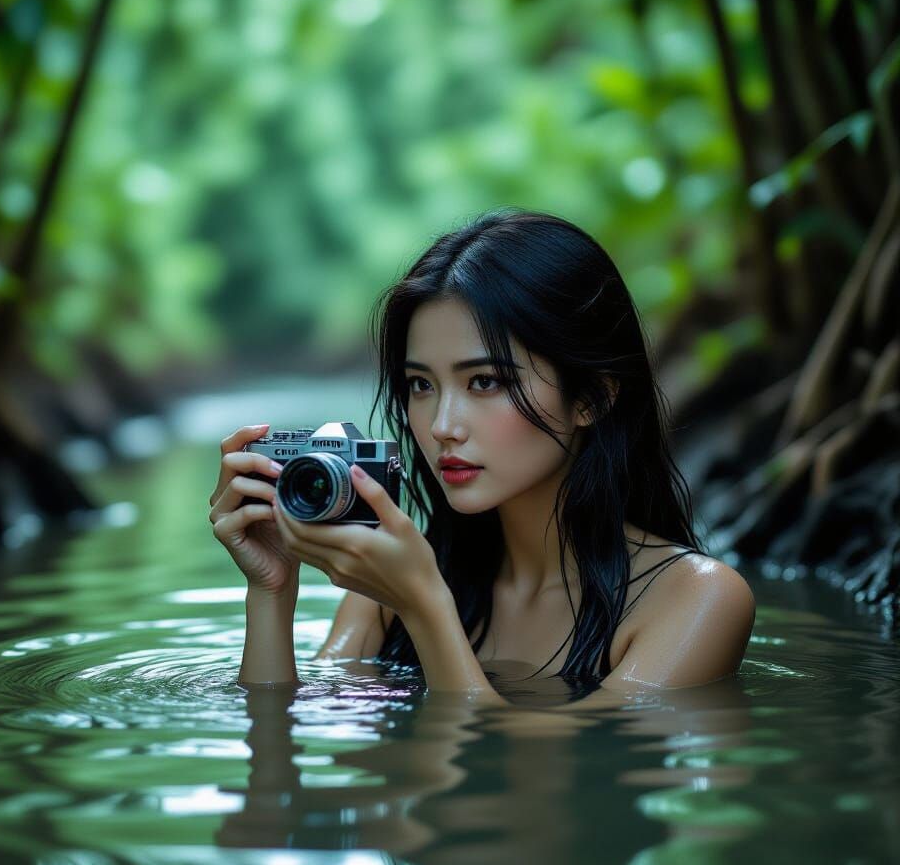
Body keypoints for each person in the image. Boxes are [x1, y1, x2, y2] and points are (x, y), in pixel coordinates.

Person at [209, 209, 755, 704]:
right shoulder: (393, 583)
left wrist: (425, 606)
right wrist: (272, 591)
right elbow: (287, 743)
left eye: (485, 381)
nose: (442, 426)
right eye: (420, 385)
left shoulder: (695, 600)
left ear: (591, 397)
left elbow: (565, 759)